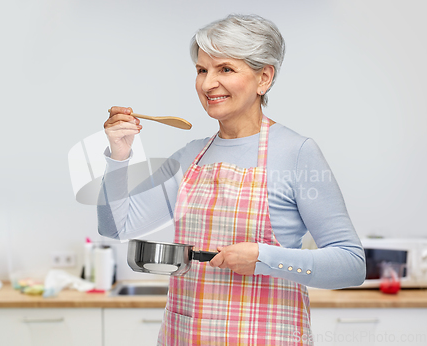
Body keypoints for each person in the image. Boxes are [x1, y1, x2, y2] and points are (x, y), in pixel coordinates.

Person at [98, 14, 365, 345]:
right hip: (187, 336)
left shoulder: (296, 153)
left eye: (224, 69)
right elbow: (118, 227)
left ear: (263, 77)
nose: (208, 83)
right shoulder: (190, 156)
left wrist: (264, 258)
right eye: (201, 70)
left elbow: (352, 264)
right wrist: (119, 155)